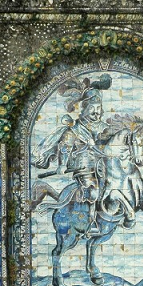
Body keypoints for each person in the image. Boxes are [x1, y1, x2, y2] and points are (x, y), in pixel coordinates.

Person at [33, 74, 112, 237]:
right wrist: (62, 165)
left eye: (99, 110)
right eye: (92, 110)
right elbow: (64, 148)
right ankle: (92, 223)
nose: (96, 114)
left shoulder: (104, 128)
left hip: (104, 169)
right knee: (93, 192)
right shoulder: (75, 131)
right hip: (85, 171)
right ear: (84, 110)